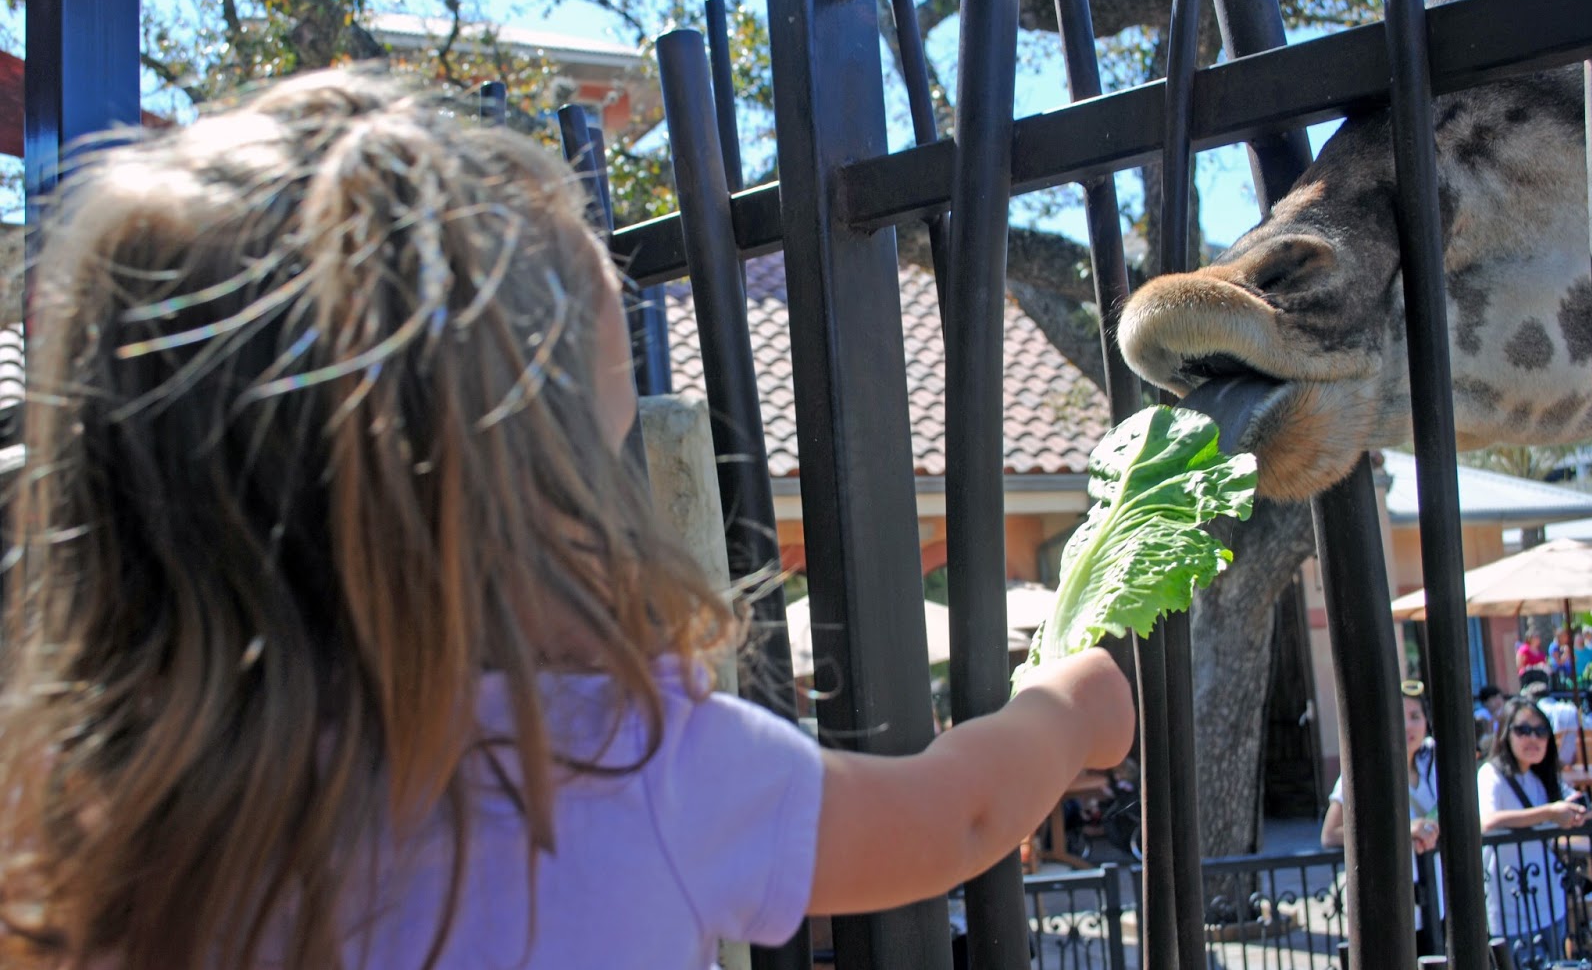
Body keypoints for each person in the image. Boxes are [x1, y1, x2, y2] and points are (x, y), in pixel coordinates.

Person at [0, 70, 1137, 970]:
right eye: (601, 456)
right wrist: (1065, 711)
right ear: (514, 503)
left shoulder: (90, 838)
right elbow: (953, 817)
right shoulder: (629, 769)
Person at [1320, 680, 1443, 955]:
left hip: (1439, 900)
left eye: (1415, 716)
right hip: (1391, 905)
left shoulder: (1433, 764)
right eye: (1399, 716)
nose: (1409, 726)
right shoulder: (1363, 769)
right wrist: (1403, 830)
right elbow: (1331, 834)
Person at [1479, 695, 1590, 966]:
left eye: (1541, 731)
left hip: (1549, 900)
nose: (1533, 738)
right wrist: (1549, 813)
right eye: (1523, 730)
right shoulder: (1491, 775)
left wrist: (1577, 811)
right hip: (1510, 907)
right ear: (1505, 732)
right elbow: (1487, 821)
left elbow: (1575, 803)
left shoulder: (1541, 777)